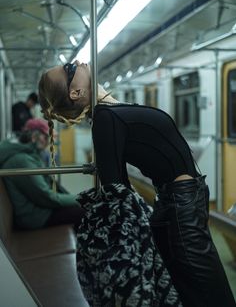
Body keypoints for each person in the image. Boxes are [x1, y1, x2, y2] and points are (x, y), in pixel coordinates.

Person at [38, 61, 235, 307]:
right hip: (179, 210)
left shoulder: (109, 110)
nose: (78, 62)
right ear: (75, 92)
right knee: (211, 294)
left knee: (196, 290)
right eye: (69, 68)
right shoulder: (104, 118)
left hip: (183, 204)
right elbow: (116, 191)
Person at [0, 118, 85, 230]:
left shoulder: (27, 153)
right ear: (34, 137)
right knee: (86, 212)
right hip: (35, 217)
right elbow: (46, 197)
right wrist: (80, 199)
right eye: (45, 137)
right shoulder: (22, 160)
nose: (47, 142)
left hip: (39, 211)